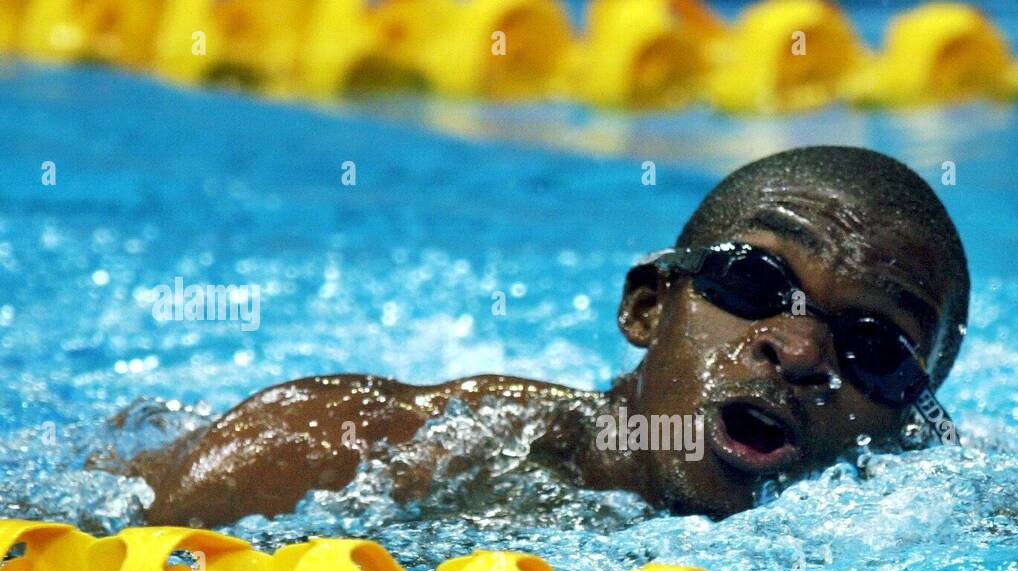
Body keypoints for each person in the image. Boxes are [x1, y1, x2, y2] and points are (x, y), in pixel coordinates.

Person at [122, 145, 969, 527]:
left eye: (875, 346)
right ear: (647, 309)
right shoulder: (348, 456)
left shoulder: (932, 543)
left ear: (909, 429)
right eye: (751, 284)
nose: (800, 349)